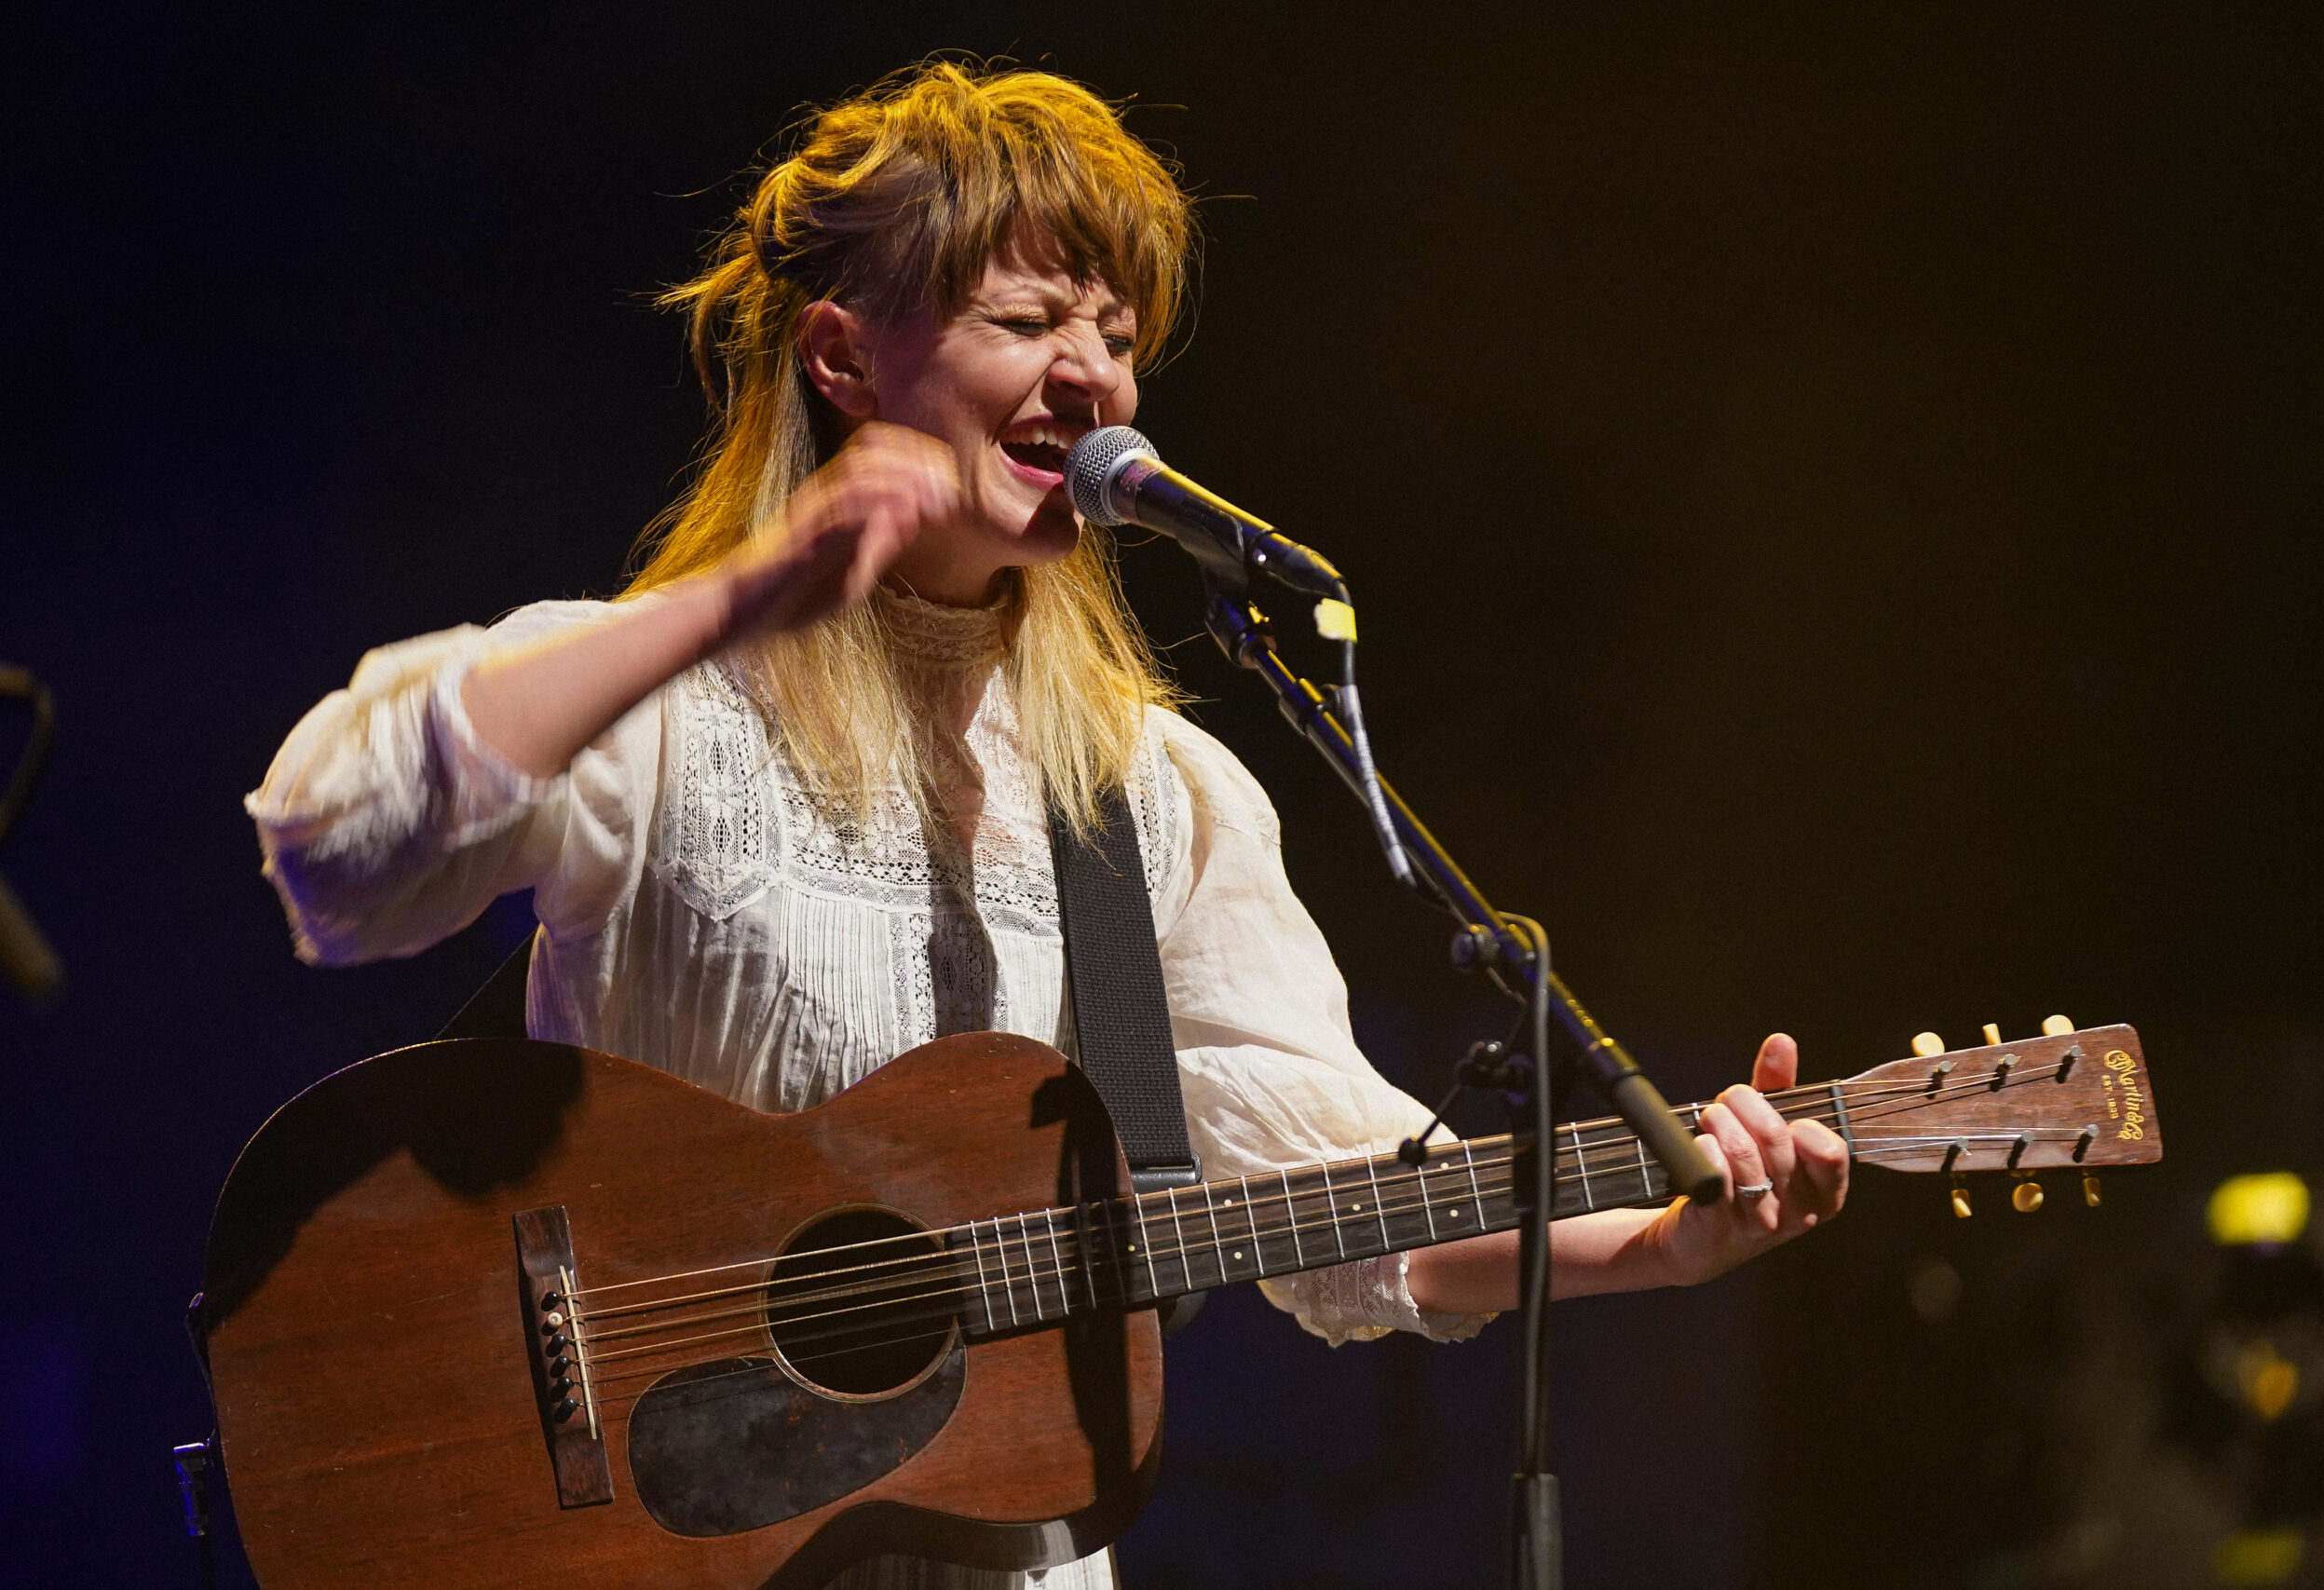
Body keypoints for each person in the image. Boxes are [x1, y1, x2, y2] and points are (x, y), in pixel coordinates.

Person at [247, 61, 1849, 1589]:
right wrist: (738, 601)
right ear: (843, 359)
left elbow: (1343, 1213)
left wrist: (1658, 1245)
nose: (1094, 378)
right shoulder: (671, 710)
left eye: (1119, 336)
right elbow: (337, 844)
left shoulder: (1138, 796)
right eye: (1026, 321)